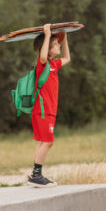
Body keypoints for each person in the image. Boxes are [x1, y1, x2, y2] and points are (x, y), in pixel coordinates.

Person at [27, 24, 70, 187]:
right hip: (43, 110)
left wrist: (64, 39)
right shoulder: (43, 64)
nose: (57, 45)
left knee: (42, 142)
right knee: (48, 142)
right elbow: (43, 57)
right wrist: (46, 35)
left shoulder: (54, 64)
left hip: (48, 110)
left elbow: (67, 58)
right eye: (55, 44)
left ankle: (35, 175)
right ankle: (36, 175)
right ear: (46, 47)